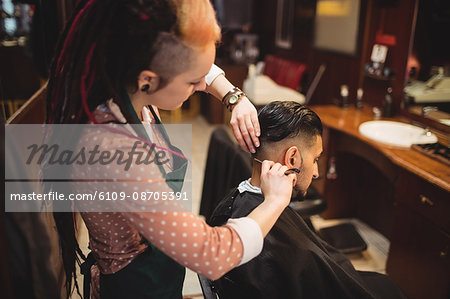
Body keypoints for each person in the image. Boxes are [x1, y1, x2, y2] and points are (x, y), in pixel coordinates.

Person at [45, 1, 296, 298]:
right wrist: (276, 200)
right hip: (134, 286)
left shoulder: (133, 89)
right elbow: (211, 254)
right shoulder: (113, 148)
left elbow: (197, 66)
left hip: (160, 272)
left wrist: (233, 96)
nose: (201, 84)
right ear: (148, 80)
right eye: (192, 82)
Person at [210, 101, 406, 299]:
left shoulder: (236, 200)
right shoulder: (268, 242)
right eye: (315, 159)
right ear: (292, 159)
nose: (316, 172)